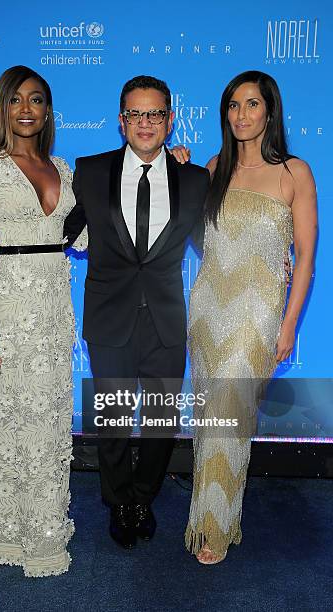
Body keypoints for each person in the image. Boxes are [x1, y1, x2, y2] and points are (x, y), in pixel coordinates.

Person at [0, 75, 210, 549]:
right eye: (135, 114)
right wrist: (4, 256)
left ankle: (144, 497)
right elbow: (55, 232)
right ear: (121, 120)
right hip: (109, 318)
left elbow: (214, 243)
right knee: (112, 420)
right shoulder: (88, 171)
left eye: (155, 114)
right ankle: (119, 502)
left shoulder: (194, 178)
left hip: (167, 318)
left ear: (169, 120)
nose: (145, 123)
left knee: (162, 420)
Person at [0, 65, 85, 577]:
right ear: (2, 107)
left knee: (46, 420)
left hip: (54, 308)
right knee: (6, 417)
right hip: (6, 308)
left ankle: (44, 530)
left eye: (37, 100)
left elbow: (80, 237)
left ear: (48, 111)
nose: (27, 109)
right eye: (17, 100)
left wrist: (164, 168)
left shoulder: (64, 168)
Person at [185, 70, 317, 564]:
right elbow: (201, 240)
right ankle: (203, 517)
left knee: (231, 418)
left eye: (251, 104)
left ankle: (216, 527)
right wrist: (184, 170)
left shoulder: (294, 173)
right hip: (208, 310)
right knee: (209, 419)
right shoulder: (215, 167)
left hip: (256, 313)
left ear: (269, 111)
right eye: (233, 106)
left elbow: (304, 255)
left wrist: (289, 324)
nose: (241, 114)